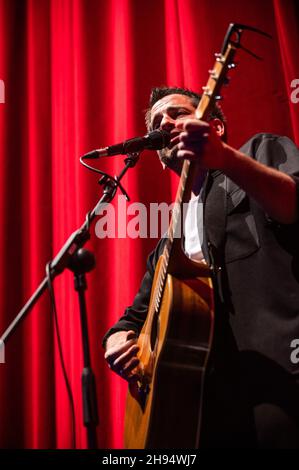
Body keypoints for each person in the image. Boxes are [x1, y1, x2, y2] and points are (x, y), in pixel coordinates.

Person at [103, 87, 299, 448]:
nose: (165, 122)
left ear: (215, 128)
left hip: (278, 376)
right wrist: (116, 342)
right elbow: (131, 319)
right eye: (157, 121)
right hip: (201, 405)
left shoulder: (260, 151)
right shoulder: (168, 244)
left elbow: (293, 203)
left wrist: (224, 158)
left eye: (177, 113)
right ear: (160, 157)